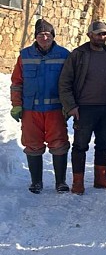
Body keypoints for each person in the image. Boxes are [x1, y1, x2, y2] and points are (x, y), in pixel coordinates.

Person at [58, 21, 106, 194]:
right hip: (84, 109)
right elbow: (64, 82)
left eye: (105, 34)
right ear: (90, 35)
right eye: (99, 34)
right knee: (80, 145)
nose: (102, 37)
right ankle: (77, 182)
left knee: (104, 144)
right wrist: (71, 106)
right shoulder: (78, 55)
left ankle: (101, 178)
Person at [10, 19, 71, 193]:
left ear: (53, 36)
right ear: (35, 37)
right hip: (31, 110)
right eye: (40, 34)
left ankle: (61, 182)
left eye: (47, 34)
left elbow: (70, 82)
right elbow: (17, 82)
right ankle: (36, 182)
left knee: (59, 143)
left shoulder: (64, 55)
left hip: (55, 110)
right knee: (32, 144)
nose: (44, 37)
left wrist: (69, 105)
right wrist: (16, 105)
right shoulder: (25, 55)